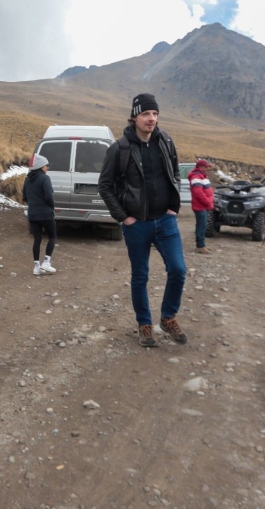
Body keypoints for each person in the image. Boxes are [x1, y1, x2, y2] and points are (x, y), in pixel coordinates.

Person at [98, 93, 187, 348]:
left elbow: (175, 175)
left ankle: (168, 318)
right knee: (140, 275)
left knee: (178, 270)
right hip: (137, 225)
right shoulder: (120, 148)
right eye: (147, 114)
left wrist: (173, 205)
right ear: (135, 116)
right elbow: (104, 186)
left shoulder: (166, 142)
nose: (152, 119)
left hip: (165, 221)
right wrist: (124, 218)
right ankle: (144, 325)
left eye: (155, 114)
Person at [23, 153, 57, 275]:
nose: (48, 167)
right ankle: (46, 262)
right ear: (41, 166)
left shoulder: (27, 179)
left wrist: (34, 204)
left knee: (37, 239)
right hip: (46, 213)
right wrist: (51, 206)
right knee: (52, 236)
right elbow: (49, 196)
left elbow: (25, 197)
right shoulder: (45, 178)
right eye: (46, 165)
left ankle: (36, 267)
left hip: (32, 214)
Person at [189, 159, 215, 254]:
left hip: (204, 206)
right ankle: (200, 246)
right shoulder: (196, 177)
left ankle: (202, 245)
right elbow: (198, 193)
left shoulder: (202, 176)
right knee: (201, 225)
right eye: (206, 167)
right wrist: (208, 202)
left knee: (202, 225)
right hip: (201, 206)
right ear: (201, 167)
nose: (207, 168)